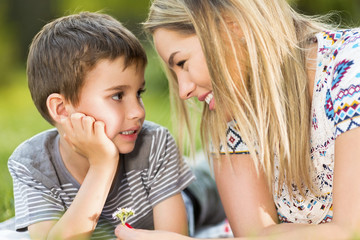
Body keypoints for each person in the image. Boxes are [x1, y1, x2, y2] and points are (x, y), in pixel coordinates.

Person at [114, 0, 360, 239]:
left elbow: (350, 231)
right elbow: (255, 234)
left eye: (182, 63)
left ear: (232, 26)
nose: (183, 91)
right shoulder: (231, 112)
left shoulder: (350, 72)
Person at [7, 11, 202, 240]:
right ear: (61, 109)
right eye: (118, 95)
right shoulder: (32, 164)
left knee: (208, 174)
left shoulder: (155, 144)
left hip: (196, 197)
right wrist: (102, 166)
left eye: (139, 93)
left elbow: (173, 237)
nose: (138, 111)